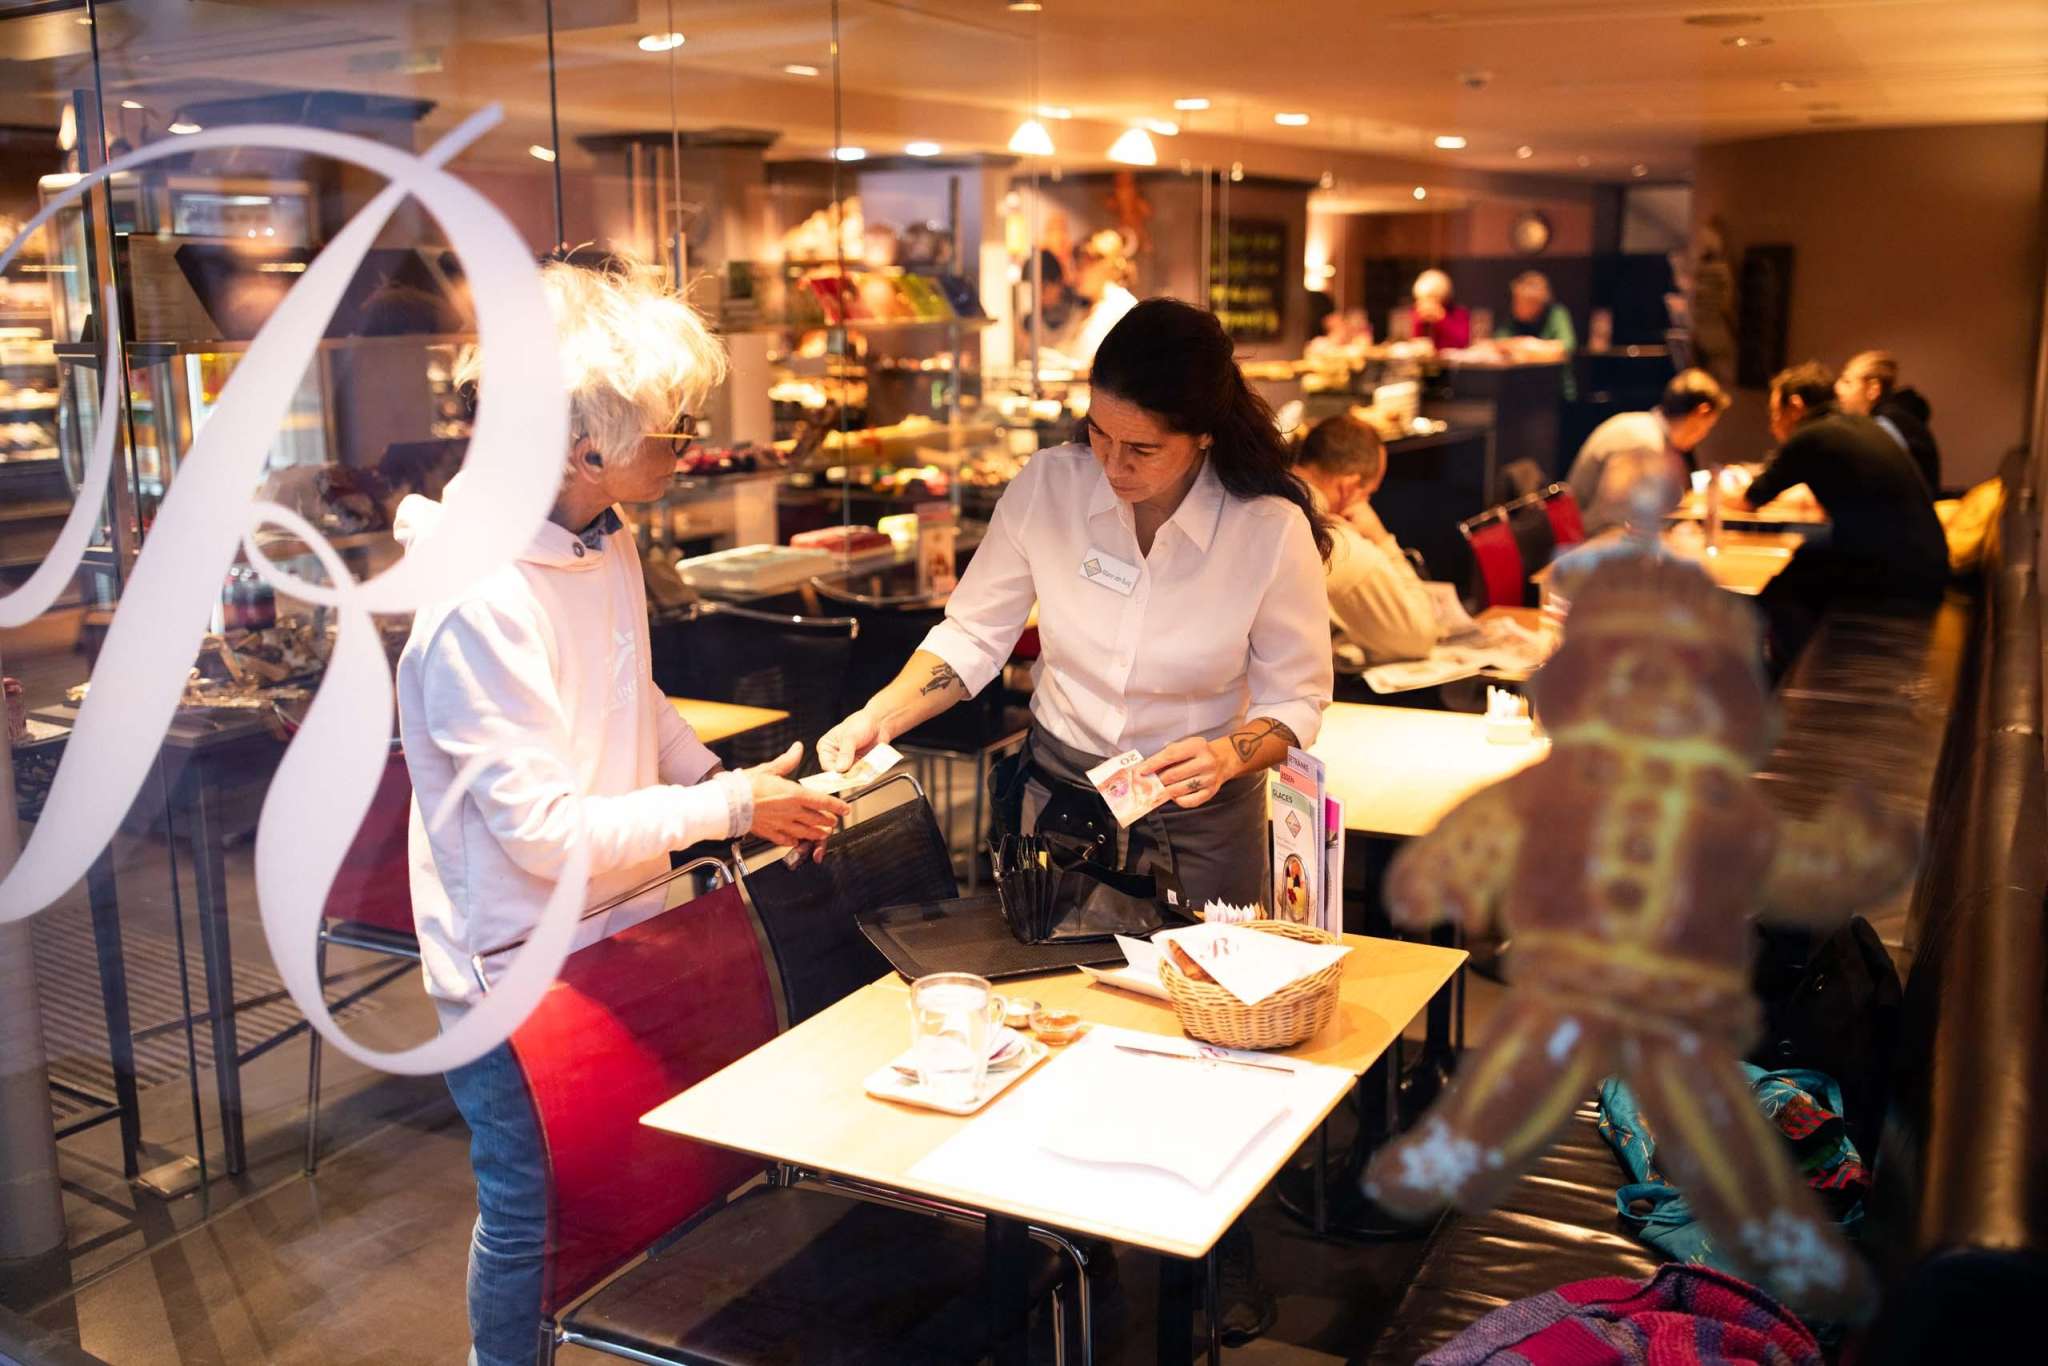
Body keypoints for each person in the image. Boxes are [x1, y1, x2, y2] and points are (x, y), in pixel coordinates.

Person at [820, 297, 1332, 1346]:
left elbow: (1296, 696)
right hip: (1064, 797)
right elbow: (971, 637)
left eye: (1141, 448)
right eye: (1098, 435)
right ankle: (1066, 1245)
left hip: (1202, 808)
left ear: (1201, 435)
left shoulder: (1266, 527)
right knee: (1061, 1019)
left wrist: (1232, 750)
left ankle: (1217, 1252)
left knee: (1212, 1039)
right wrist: (878, 717)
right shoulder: (1049, 488)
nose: (1112, 465)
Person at [394, 254, 850, 1366]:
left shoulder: (605, 537)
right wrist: (727, 805)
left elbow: (630, 692)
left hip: (617, 920)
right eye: (670, 427)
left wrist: (717, 782)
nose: (687, 443)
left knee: (633, 1186)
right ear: (577, 444)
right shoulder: (479, 596)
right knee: (534, 1213)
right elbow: (541, 838)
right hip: (513, 962)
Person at [1732, 361, 1950, 671]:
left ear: (1795, 406)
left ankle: (1787, 672)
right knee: (1801, 551)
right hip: (1922, 562)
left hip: (1899, 575)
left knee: (1778, 587)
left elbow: (1748, 501)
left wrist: (1717, 488)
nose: (1772, 425)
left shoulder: (1810, 436)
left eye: (1775, 413)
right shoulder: (1857, 424)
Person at [1292, 414, 1440, 668]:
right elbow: (1420, 635)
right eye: (1368, 494)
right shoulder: (1336, 543)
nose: (1367, 504)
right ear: (1348, 487)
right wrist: (1380, 538)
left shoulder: (1258, 496)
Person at [1563, 368, 1730, 534]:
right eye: (1708, 427)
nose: (1704, 435)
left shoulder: (1643, 428)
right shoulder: (1643, 443)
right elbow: (1615, 522)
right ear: (1701, 412)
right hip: (1587, 542)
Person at [1834, 349, 1941, 495]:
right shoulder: (1895, 419)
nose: (1837, 388)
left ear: (1873, 389)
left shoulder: (1884, 425)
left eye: (1847, 382)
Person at [1053, 228, 1139, 367]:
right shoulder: (1086, 308)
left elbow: (1114, 365)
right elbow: (1070, 352)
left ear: (1103, 265)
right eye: (1075, 268)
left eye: (1081, 267)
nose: (1075, 276)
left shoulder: (1122, 306)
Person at [1493, 270, 1578, 398]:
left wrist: (1529, 347)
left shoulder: (1556, 314)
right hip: (1520, 391)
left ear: (1536, 303)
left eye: (1520, 301)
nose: (1514, 305)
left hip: (1554, 392)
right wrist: (1524, 345)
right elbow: (1498, 342)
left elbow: (1567, 347)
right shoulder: (1513, 319)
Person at [1407, 267, 1471, 350]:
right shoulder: (1416, 313)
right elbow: (1412, 342)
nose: (1428, 303)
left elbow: (1462, 342)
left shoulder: (1458, 313)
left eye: (1433, 297)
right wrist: (1419, 321)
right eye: (1423, 299)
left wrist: (1441, 319)